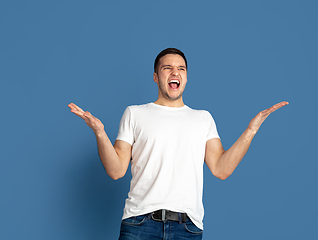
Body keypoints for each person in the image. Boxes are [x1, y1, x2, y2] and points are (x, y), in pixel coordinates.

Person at [68, 48, 288, 239]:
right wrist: (100, 132)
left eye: (181, 69)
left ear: (186, 76)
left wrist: (251, 130)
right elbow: (116, 170)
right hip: (140, 224)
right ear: (156, 76)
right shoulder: (135, 114)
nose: (175, 72)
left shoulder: (203, 118)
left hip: (188, 228)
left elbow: (222, 169)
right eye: (167, 68)